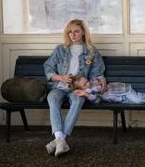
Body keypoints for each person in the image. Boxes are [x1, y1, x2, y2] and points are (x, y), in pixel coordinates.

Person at [43, 19, 106, 157]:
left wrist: (91, 83)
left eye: (76, 31)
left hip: (78, 88)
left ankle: (58, 141)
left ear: (83, 32)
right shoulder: (60, 49)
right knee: (52, 98)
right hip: (60, 87)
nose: (73, 35)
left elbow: (97, 74)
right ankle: (61, 140)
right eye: (70, 32)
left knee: (78, 100)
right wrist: (61, 77)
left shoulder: (91, 52)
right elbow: (48, 68)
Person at [71, 75, 145, 105]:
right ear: (80, 89)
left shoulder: (93, 82)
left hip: (123, 90)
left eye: (86, 81)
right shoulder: (89, 94)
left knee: (139, 100)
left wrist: (87, 91)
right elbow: (97, 100)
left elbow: (99, 88)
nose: (88, 83)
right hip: (121, 99)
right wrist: (86, 95)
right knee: (141, 100)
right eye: (84, 85)